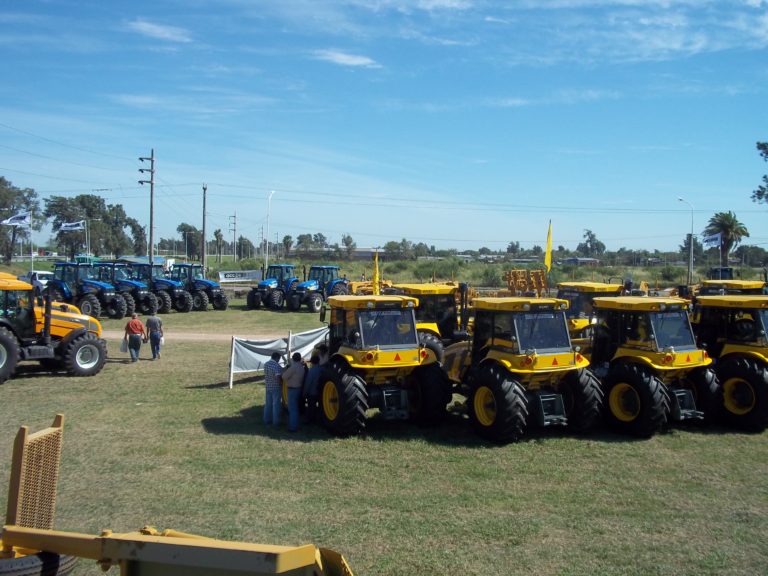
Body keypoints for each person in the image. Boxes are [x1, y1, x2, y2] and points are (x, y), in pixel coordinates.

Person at [281, 352, 306, 432]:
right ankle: (295, 425)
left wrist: (285, 370)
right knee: (295, 408)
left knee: (292, 409)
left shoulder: (293, 367)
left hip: (292, 389)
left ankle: (293, 427)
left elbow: (284, 376)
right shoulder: (301, 367)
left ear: (293, 358)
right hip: (298, 388)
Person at [263, 351, 283, 426]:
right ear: (277, 358)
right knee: (276, 405)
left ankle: (266, 420)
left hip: (268, 386)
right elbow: (278, 377)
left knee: (268, 404)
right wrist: (281, 383)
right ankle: (276, 422)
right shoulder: (276, 366)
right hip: (276, 387)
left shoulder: (266, 364)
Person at [303, 354, 322, 424]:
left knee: (311, 407)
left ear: (312, 362)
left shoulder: (312, 371)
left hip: (312, 392)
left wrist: (304, 392)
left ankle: (310, 421)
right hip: (320, 391)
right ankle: (318, 419)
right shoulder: (322, 369)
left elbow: (308, 383)